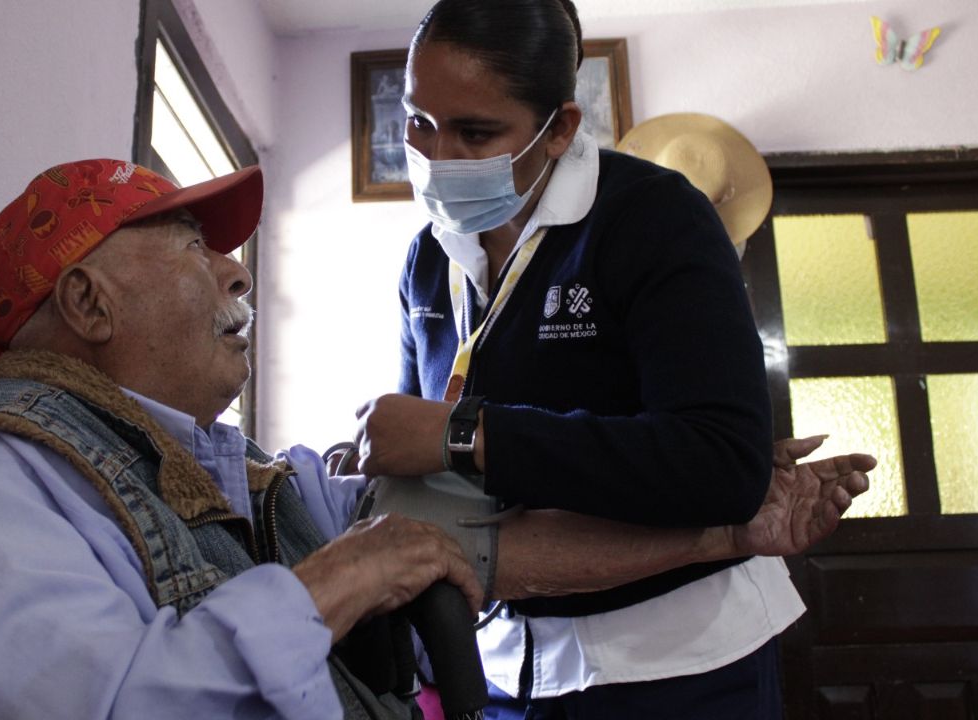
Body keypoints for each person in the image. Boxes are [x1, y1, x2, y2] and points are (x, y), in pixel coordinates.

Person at [0, 156, 868, 720]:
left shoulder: (238, 477)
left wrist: (721, 524)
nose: (237, 274)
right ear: (87, 301)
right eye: (196, 249)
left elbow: (486, 545)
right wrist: (330, 584)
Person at [352, 0, 869, 718]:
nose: (436, 159)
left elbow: (720, 465)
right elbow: (431, 479)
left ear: (560, 127)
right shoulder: (427, 259)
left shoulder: (654, 218)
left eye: (476, 133)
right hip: (507, 668)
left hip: (680, 662)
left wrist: (468, 434)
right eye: (418, 122)